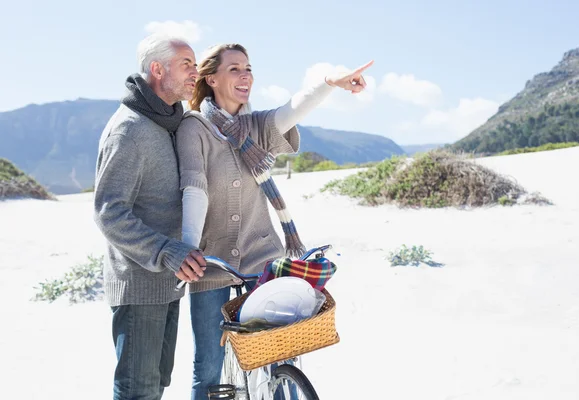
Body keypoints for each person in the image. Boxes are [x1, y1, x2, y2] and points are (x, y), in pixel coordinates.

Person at [175, 42, 372, 399]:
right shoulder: (194, 128)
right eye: (234, 68)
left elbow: (291, 111)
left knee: (280, 358)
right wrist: (189, 251)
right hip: (210, 265)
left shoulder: (256, 127)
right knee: (207, 366)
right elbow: (194, 188)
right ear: (212, 79)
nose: (244, 75)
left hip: (263, 260)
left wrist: (329, 83)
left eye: (248, 68)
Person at [93, 33, 209, 400]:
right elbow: (109, 211)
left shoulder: (170, 123)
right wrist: (165, 250)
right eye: (186, 64)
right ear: (157, 69)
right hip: (139, 284)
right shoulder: (129, 129)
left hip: (168, 283)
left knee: (155, 386)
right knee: (137, 392)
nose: (196, 72)